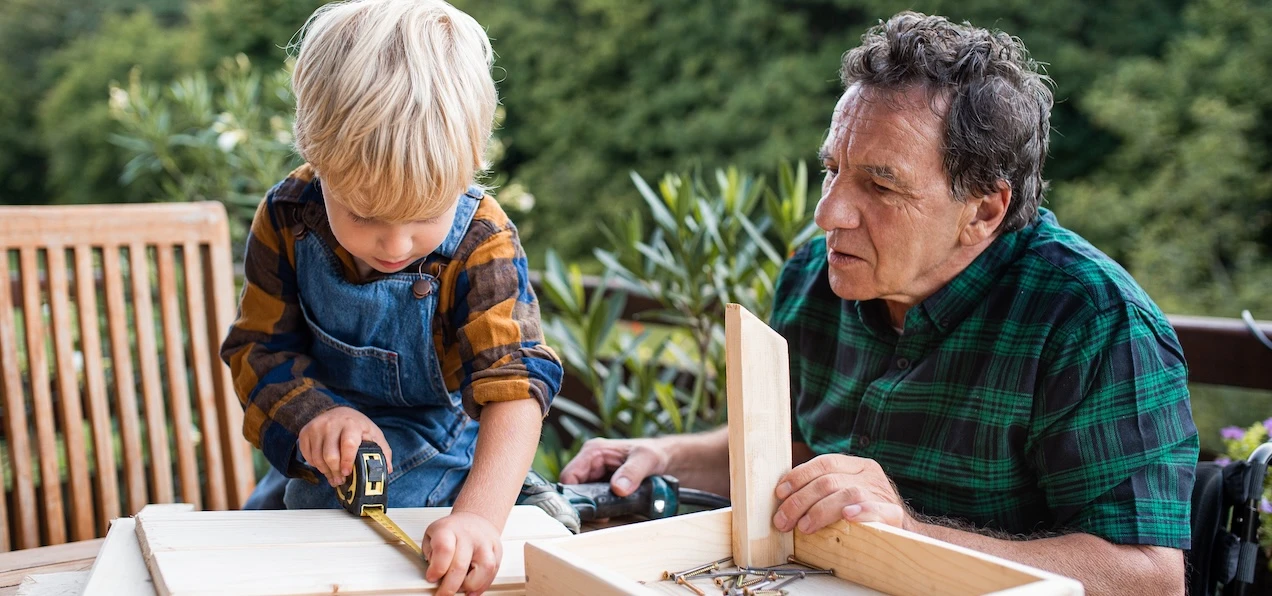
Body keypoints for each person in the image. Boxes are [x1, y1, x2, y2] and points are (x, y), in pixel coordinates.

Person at [560, 12, 1196, 595]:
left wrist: (909, 533)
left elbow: (1150, 577)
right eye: (833, 169)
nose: (828, 212)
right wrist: (671, 456)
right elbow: (796, 455)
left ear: (983, 210)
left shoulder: (1094, 321)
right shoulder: (817, 277)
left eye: (880, 184)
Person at [219, 1, 563, 594]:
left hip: (443, 445)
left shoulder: (481, 239)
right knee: (264, 540)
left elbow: (513, 385)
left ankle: (533, 501)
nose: (395, 243)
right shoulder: (287, 215)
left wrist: (479, 517)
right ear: (317, 159)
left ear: (468, 166)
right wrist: (316, 415)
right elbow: (260, 348)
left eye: (426, 214)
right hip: (325, 450)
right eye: (366, 214)